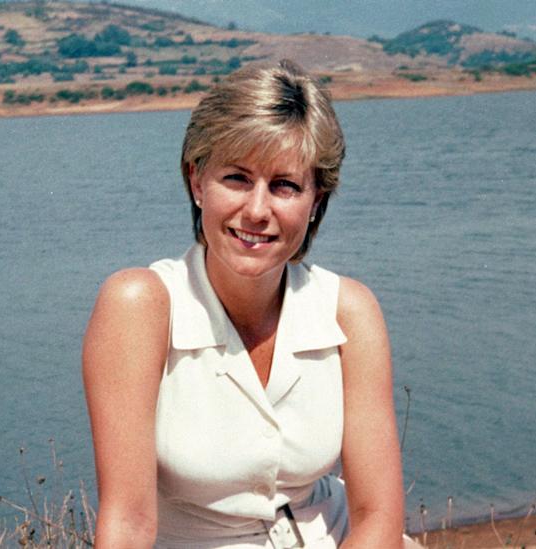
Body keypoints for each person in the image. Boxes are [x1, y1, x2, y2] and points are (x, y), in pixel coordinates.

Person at [82, 60, 408, 548]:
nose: (257, 211)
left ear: (316, 200)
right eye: (236, 178)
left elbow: (376, 515)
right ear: (197, 181)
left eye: (285, 185)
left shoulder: (349, 312)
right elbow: (127, 525)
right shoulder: (140, 306)